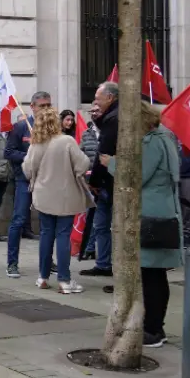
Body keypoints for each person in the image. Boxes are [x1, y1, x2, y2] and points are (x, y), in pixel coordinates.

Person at [103, 103, 183, 347]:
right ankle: (156, 328)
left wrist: (112, 164)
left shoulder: (150, 142)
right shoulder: (165, 138)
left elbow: (137, 175)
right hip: (162, 214)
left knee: (151, 276)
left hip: (151, 216)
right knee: (155, 275)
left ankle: (153, 330)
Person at [20, 107, 91, 294]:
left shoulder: (36, 144)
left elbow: (27, 170)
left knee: (46, 234)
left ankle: (42, 277)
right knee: (63, 236)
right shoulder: (67, 141)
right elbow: (83, 164)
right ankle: (64, 280)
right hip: (65, 196)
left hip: (43, 196)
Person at [4, 91, 53, 278]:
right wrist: (29, 157)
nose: (46, 109)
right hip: (24, 180)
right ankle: (12, 263)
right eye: (42, 106)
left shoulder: (52, 128)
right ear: (32, 107)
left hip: (47, 180)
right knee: (18, 220)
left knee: (48, 223)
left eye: (48, 105)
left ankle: (48, 261)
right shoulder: (20, 127)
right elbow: (9, 152)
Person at [82, 82, 118, 277]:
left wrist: (94, 181)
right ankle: (103, 263)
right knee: (100, 225)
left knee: (113, 225)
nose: (95, 104)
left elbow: (103, 153)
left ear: (110, 98)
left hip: (110, 182)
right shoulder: (108, 118)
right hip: (104, 183)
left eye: (98, 99)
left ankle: (114, 266)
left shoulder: (113, 119)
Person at [79, 104, 102, 260]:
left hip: (107, 182)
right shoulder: (86, 135)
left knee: (104, 220)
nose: (94, 114)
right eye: (91, 111)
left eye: (97, 111)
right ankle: (89, 248)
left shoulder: (110, 131)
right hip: (90, 183)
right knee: (91, 217)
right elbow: (81, 157)